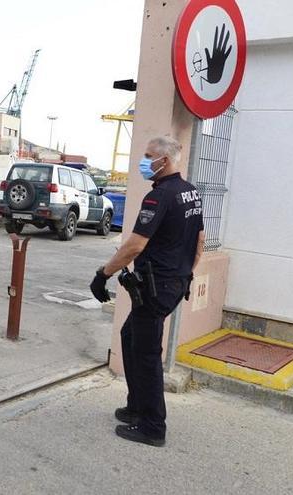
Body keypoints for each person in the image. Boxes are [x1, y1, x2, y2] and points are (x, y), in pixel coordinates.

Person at [90, 136, 205, 448]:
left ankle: (153, 426)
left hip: (158, 287)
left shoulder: (160, 197)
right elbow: (200, 240)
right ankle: (137, 406)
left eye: (147, 156)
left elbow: (135, 245)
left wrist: (104, 274)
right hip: (174, 283)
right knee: (130, 336)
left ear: (164, 161)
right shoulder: (190, 192)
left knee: (146, 355)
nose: (143, 161)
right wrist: (184, 272)